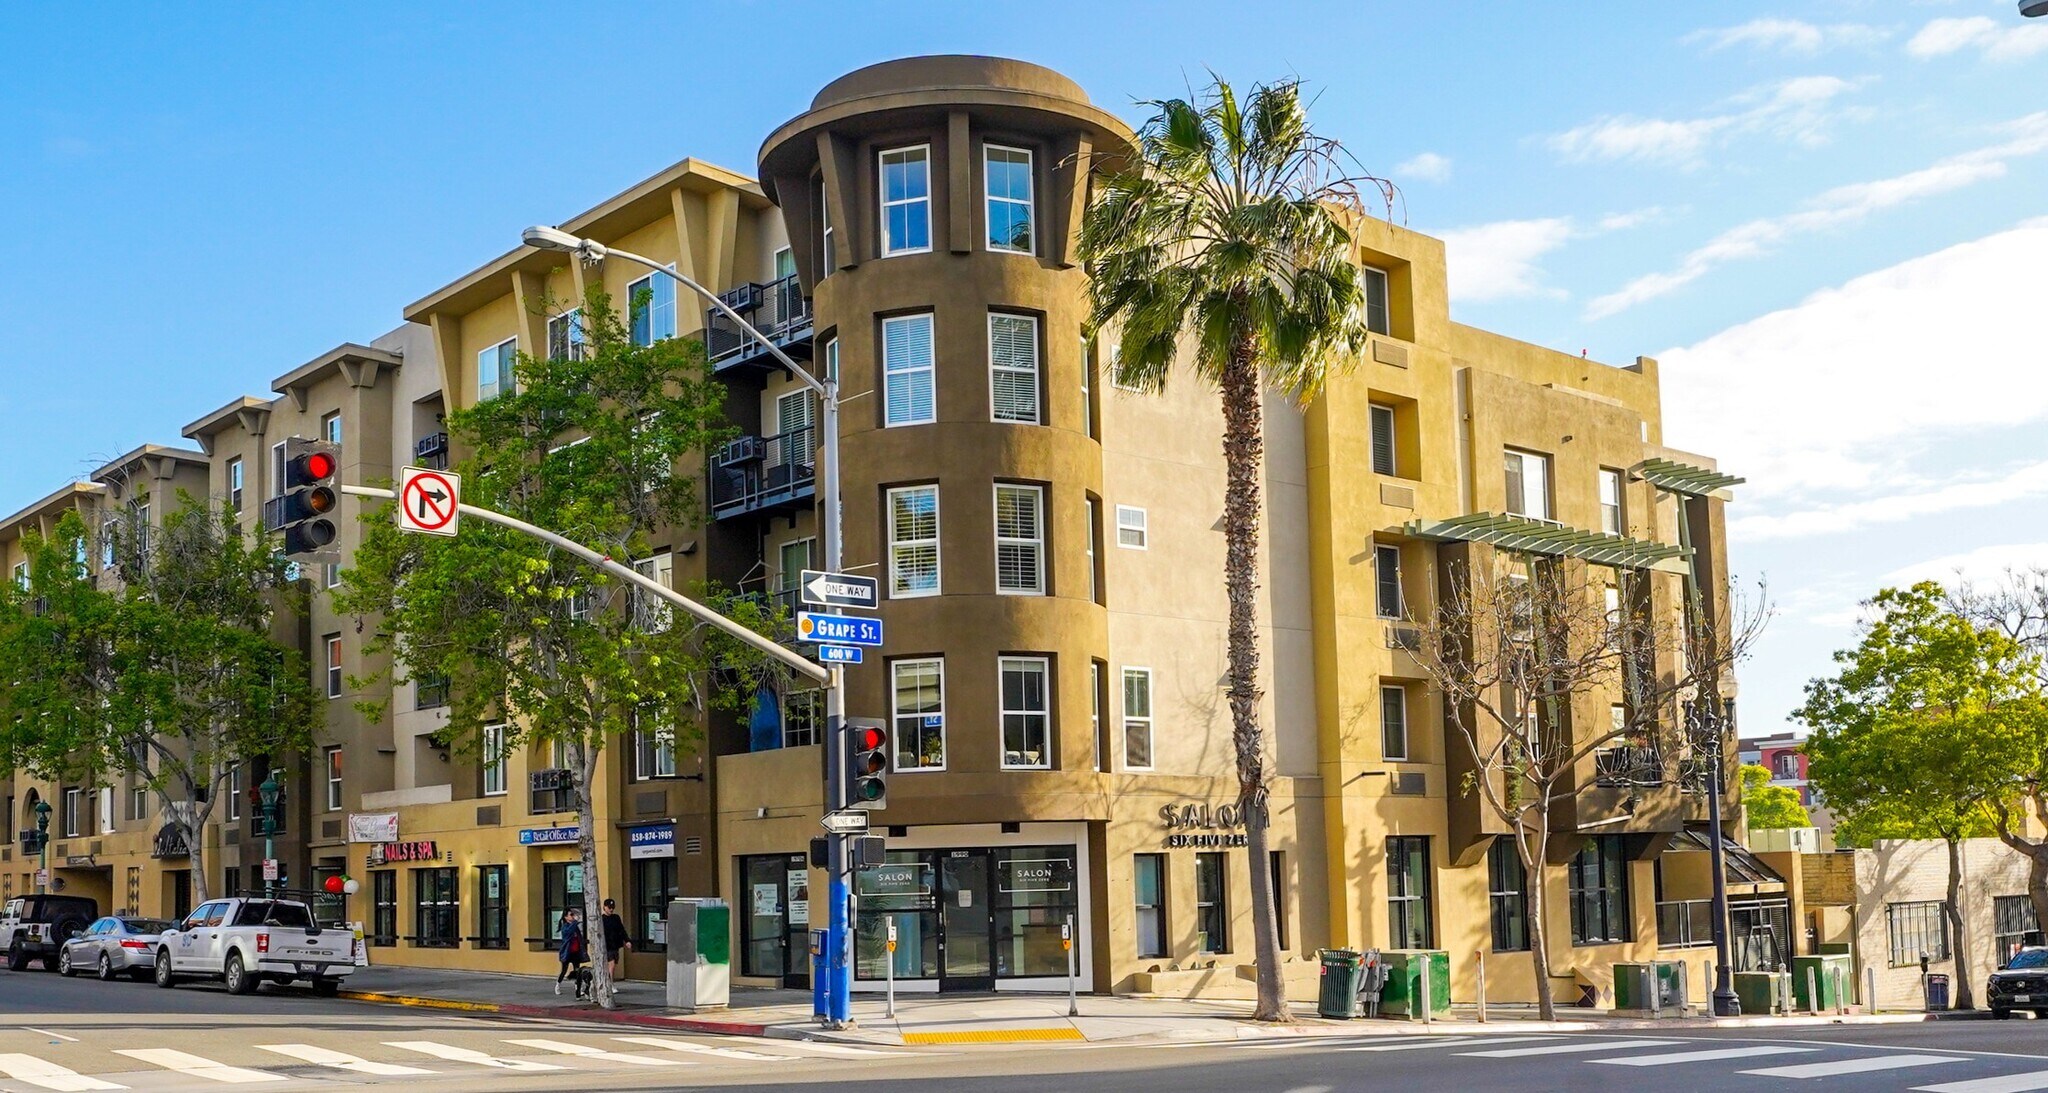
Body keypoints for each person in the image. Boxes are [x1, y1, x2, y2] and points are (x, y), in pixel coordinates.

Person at [599, 898, 631, 998]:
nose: (611, 909)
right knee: (611, 965)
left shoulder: (616, 918)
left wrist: (627, 940)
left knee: (612, 965)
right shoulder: (601, 919)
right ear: (604, 907)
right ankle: (610, 984)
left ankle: (608, 982)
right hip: (606, 946)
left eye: (612, 908)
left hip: (615, 945)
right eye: (609, 907)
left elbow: (621, 930)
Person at [555, 908, 589, 999]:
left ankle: (578, 987)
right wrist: (575, 922)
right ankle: (558, 984)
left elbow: (579, 937)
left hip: (576, 952)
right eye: (571, 915)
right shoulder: (565, 927)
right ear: (566, 917)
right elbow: (569, 932)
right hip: (567, 952)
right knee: (564, 970)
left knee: (577, 971)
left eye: (573, 915)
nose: (573, 916)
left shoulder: (575, 927)